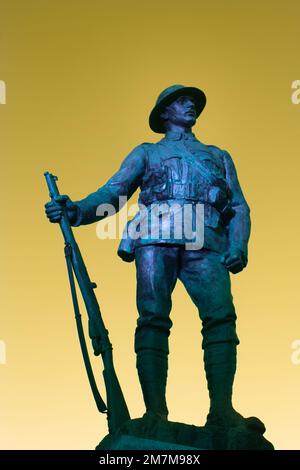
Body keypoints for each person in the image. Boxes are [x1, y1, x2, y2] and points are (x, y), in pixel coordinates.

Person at [45, 84, 256, 428]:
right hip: (155, 236)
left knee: (221, 318)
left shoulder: (219, 156)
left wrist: (238, 245)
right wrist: (76, 211)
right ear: (164, 113)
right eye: (182, 101)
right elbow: (113, 193)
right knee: (153, 318)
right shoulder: (146, 152)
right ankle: (155, 411)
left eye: (193, 102)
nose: (191, 105)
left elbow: (238, 206)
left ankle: (222, 410)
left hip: (207, 239)